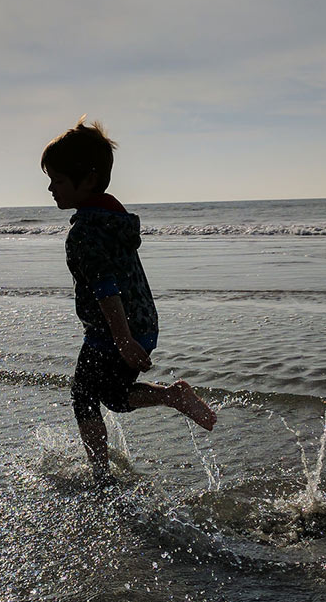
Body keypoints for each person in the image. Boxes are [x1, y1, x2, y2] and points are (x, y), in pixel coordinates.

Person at [42, 118, 217, 483]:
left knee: (85, 396)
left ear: (87, 180)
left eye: (58, 180)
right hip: (140, 321)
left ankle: (102, 474)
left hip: (115, 328)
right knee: (113, 395)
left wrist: (121, 339)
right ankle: (171, 398)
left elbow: (106, 286)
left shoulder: (86, 234)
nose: (50, 188)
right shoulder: (113, 220)